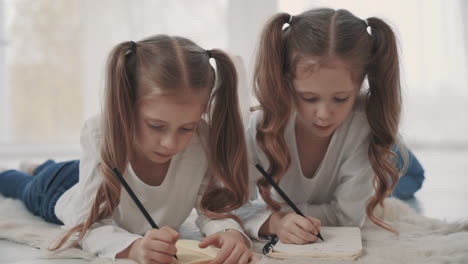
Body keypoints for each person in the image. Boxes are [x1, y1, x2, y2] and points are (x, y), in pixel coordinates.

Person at [0, 35, 255, 264]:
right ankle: (29, 168)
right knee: (23, 186)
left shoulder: (203, 138)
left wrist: (230, 232)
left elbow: (209, 208)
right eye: (156, 126)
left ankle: (39, 165)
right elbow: (87, 226)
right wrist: (132, 248)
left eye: (186, 128)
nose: (170, 143)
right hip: (60, 189)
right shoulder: (100, 131)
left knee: (60, 168)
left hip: (92, 175)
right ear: (126, 106)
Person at [242, 8, 409, 244]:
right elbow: (228, 205)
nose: (323, 115)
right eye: (309, 98)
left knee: (409, 179)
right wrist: (276, 223)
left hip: (385, 148)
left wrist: (279, 214)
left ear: (360, 85)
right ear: (287, 81)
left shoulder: (364, 127)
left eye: (340, 98)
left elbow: (348, 218)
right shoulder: (262, 126)